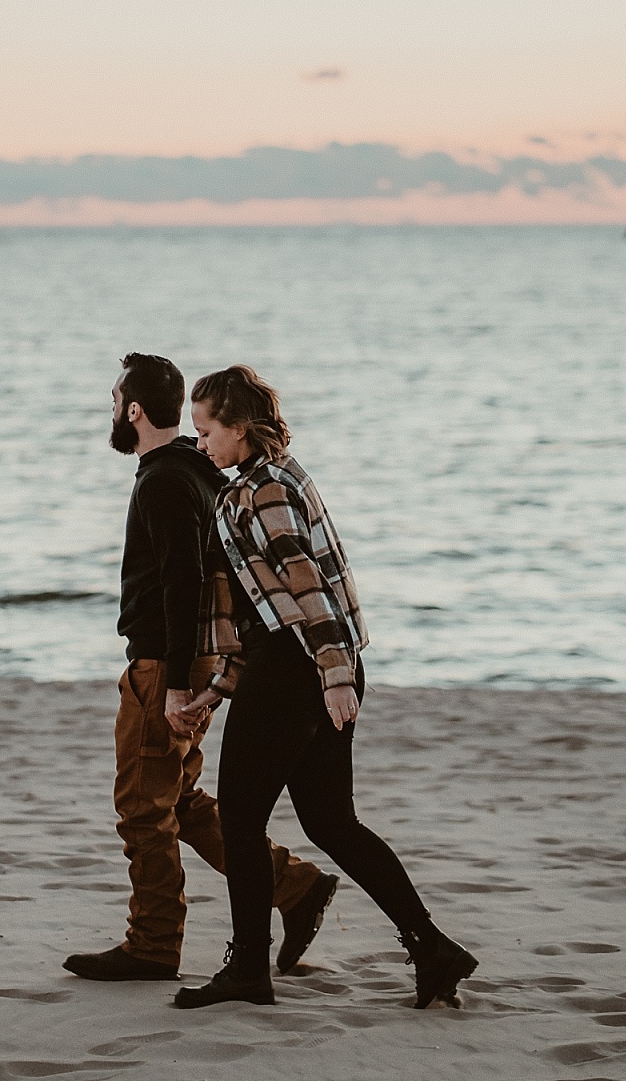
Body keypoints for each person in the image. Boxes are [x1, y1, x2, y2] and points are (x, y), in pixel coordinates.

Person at [172, 365, 478, 1010]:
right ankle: (432, 948)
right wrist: (225, 682)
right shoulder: (268, 478)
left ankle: (250, 969)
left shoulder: (265, 491)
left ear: (241, 428)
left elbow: (307, 588)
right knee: (332, 823)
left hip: (300, 671)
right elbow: (265, 607)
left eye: (206, 431)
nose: (200, 444)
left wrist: (334, 677)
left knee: (243, 819)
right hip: (299, 665)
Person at [63, 353, 340, 985]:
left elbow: (185, 583)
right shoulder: (198, 470)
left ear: (133, 410)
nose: (111, 411)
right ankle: (294, 887)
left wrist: (179, 683)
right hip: (189, 658)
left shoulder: (163, 479)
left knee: (141, 809)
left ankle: (153, 944)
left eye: (113, 400)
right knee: (178, 801)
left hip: (165, 664)